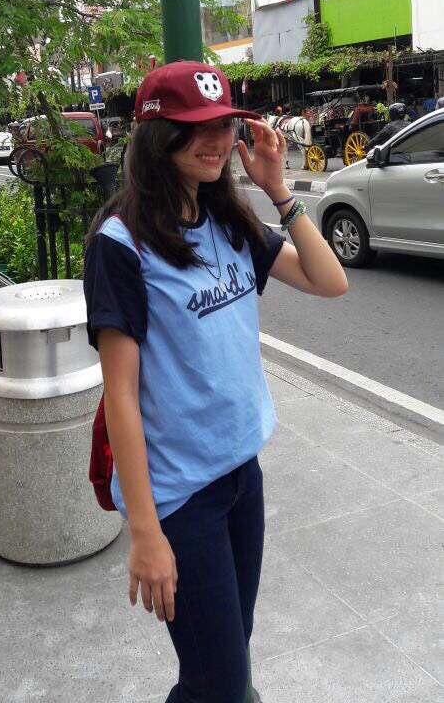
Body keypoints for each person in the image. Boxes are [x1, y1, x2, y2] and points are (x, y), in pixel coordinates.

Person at [83, 60, 347, 703]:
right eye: (194, 127)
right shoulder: (121, 243)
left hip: (240, 478)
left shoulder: (228, 219)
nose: (217, 141)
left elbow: (329, 280)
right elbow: (121, 396)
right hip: (180, 497)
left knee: (226, 666)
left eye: (224, 125)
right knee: (221, 682)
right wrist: (145, 532)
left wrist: (278, 191)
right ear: (157, 136)